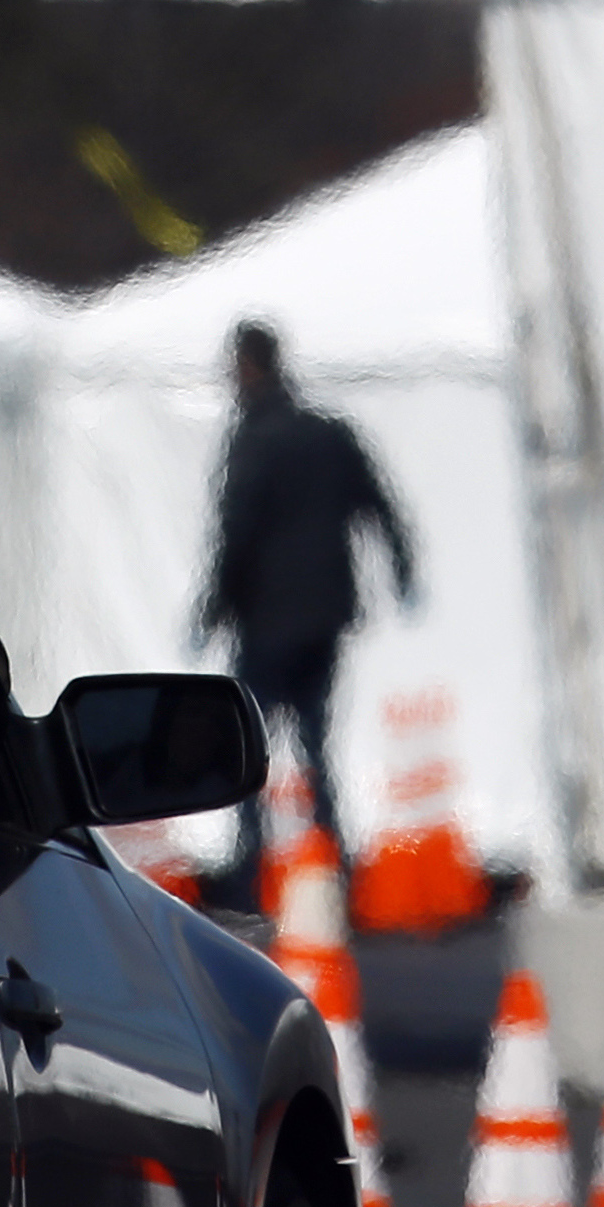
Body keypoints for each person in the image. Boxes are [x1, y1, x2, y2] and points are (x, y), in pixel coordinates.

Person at [200, 321, 416, 863]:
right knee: (318, 745)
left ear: (248, 366)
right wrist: (401, 569)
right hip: (326, 614)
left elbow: (236, 534)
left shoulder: (252, 441)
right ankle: (331, 861)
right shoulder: (328, 433)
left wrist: (211, 607)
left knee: (250, 746)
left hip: (267, 619)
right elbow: (380, 505)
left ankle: (251, 869)